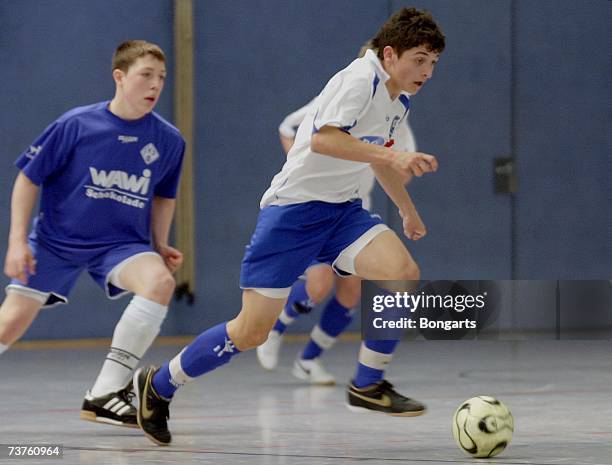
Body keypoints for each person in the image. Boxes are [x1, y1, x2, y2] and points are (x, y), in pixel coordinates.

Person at [134, 7, 445, 446]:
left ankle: (367, 383)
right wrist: (393, 158)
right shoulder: (359, 78)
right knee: (249, 331)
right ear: (391, 54)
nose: (427, 71)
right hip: (292, 214)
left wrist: (407, 209)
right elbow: (323, 138)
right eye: (420, 59)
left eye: (433, 63)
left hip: (341, 212)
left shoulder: (399, 98)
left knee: (403, 274)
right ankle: (160, 384)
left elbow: (380, 156)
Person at [0, 40, 185, 428]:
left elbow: (165, 196)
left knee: (159, 282)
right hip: (55, 242)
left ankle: (104, 392)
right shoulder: (77, 125)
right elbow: (27, 179)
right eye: (145, 75)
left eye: (162, 78)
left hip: (120, 245)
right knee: (9, 324)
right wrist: (17, 241)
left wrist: (159, 243)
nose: (155, 85)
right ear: (119, 77)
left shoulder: (168, 140)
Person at [257, 85, 418, 385]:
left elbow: (401, 170)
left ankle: (308, 360)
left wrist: (399, 163)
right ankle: (275, 326)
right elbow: (287, 126)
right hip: (315, 206)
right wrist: (305, 164)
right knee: (318, 285)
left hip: (353, 211)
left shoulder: (397, 114)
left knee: (351, 293)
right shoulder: (338, 100)